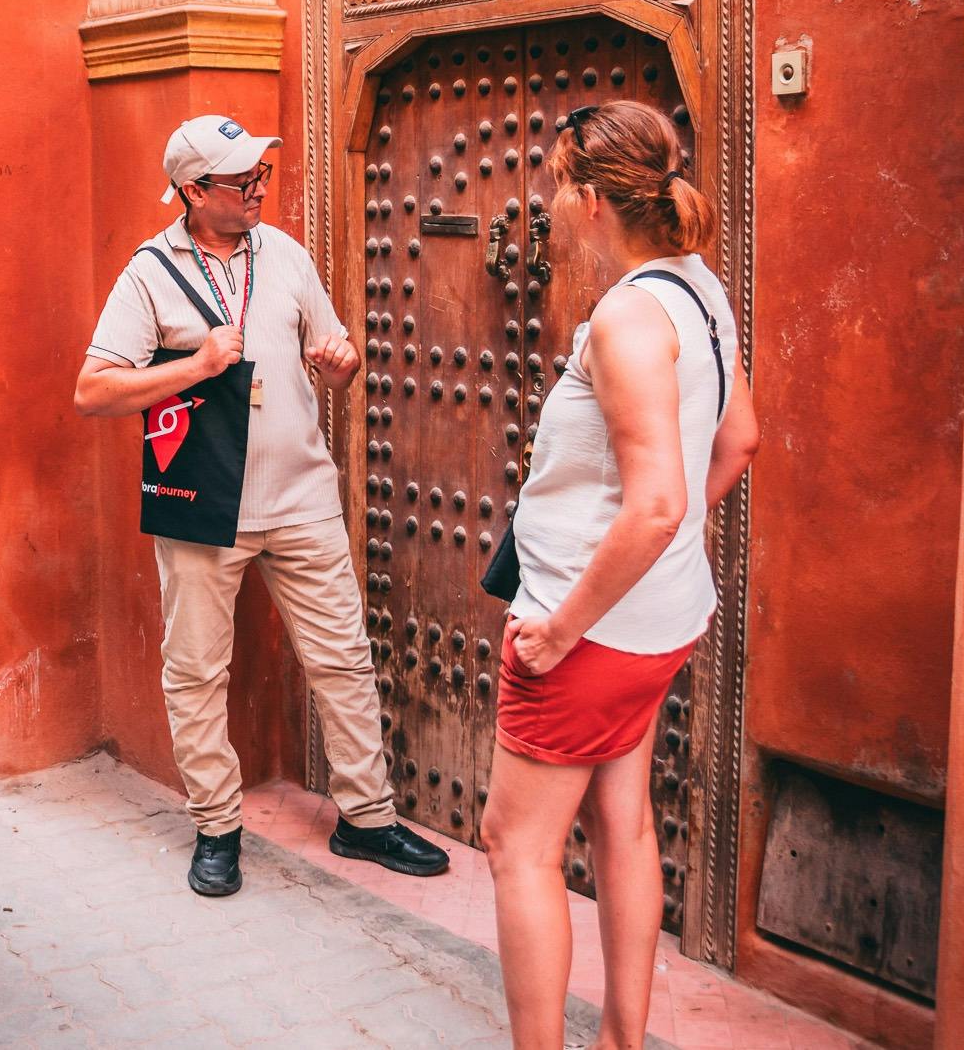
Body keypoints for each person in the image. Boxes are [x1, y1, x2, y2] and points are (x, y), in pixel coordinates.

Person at [74, 114, 449, 897]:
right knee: (197, 672)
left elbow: (335, 353)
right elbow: (94, 389)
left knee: (342, 658)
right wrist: (194, 365)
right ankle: (216, 825)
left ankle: (367, 818)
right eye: (239, 180)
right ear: (190, 190)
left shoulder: (284, 254)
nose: (256, 189)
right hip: (203, 504)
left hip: (304, 497)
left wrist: (341, 361)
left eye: (261, 176)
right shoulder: (149, 272)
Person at [480, 100, 759, 1050]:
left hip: (586, 632)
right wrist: (663, 564)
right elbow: (739, 440)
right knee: (622, 820)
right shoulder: (701, 292)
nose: (552, 205)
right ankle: (623, 1040)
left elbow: (653, 505)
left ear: (593, 199)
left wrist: (561, 628)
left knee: (516, 845)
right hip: (655, 624)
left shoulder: (626, 319)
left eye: (560, 188)